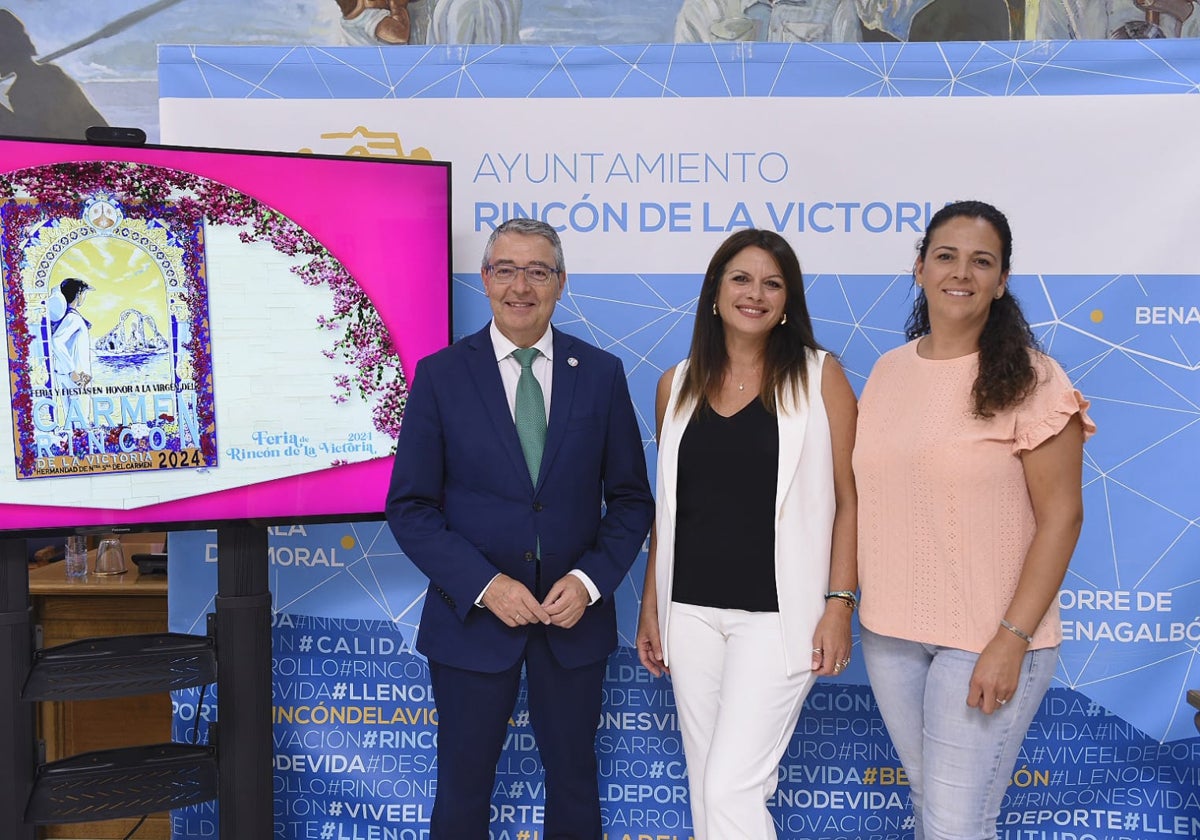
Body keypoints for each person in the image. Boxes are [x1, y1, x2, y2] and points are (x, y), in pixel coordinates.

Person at [386, 218, 654, 839]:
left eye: (538, 270)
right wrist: (486, 585)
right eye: (506, 269)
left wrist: (589, 581)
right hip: (472, 620)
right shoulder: (441, 375)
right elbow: (411, 507)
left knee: (575, 786)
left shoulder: (603, 374)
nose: (521, 285)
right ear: (484, 279)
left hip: (573, 622)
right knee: (462, 786)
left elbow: (633, 500)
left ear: (561, 282)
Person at [854, 201, 1095, 840]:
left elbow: (1063, 518)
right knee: (931, 808)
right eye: (946, 256)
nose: (962, 273)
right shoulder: (887, 371)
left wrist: (1010, 640)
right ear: (920, 268)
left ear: (1003, 279)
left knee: (957, 826)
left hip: (988, 637)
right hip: (890, 635)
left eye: (981, 261)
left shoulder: (1036, 381)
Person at [635, 229, 859, 840]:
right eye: (741, 278)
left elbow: (849, 499)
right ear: (715, 292)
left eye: (772, 283)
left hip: (779, 617)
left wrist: (840, 604)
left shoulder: (821, 378)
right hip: (691, 614)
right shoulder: (674, 384)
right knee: (710, 780)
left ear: (788, 300)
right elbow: (670, 507)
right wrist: (652, 604)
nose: (754, 294)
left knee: (729, 785)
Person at [49, 277, 94, 388]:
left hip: (68, 376)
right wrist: (72, 372)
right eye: (84, 293)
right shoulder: (73, 318)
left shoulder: (64, 317)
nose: (84, 297)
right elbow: (56, 341)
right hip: (77, 379)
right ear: (78, 295)